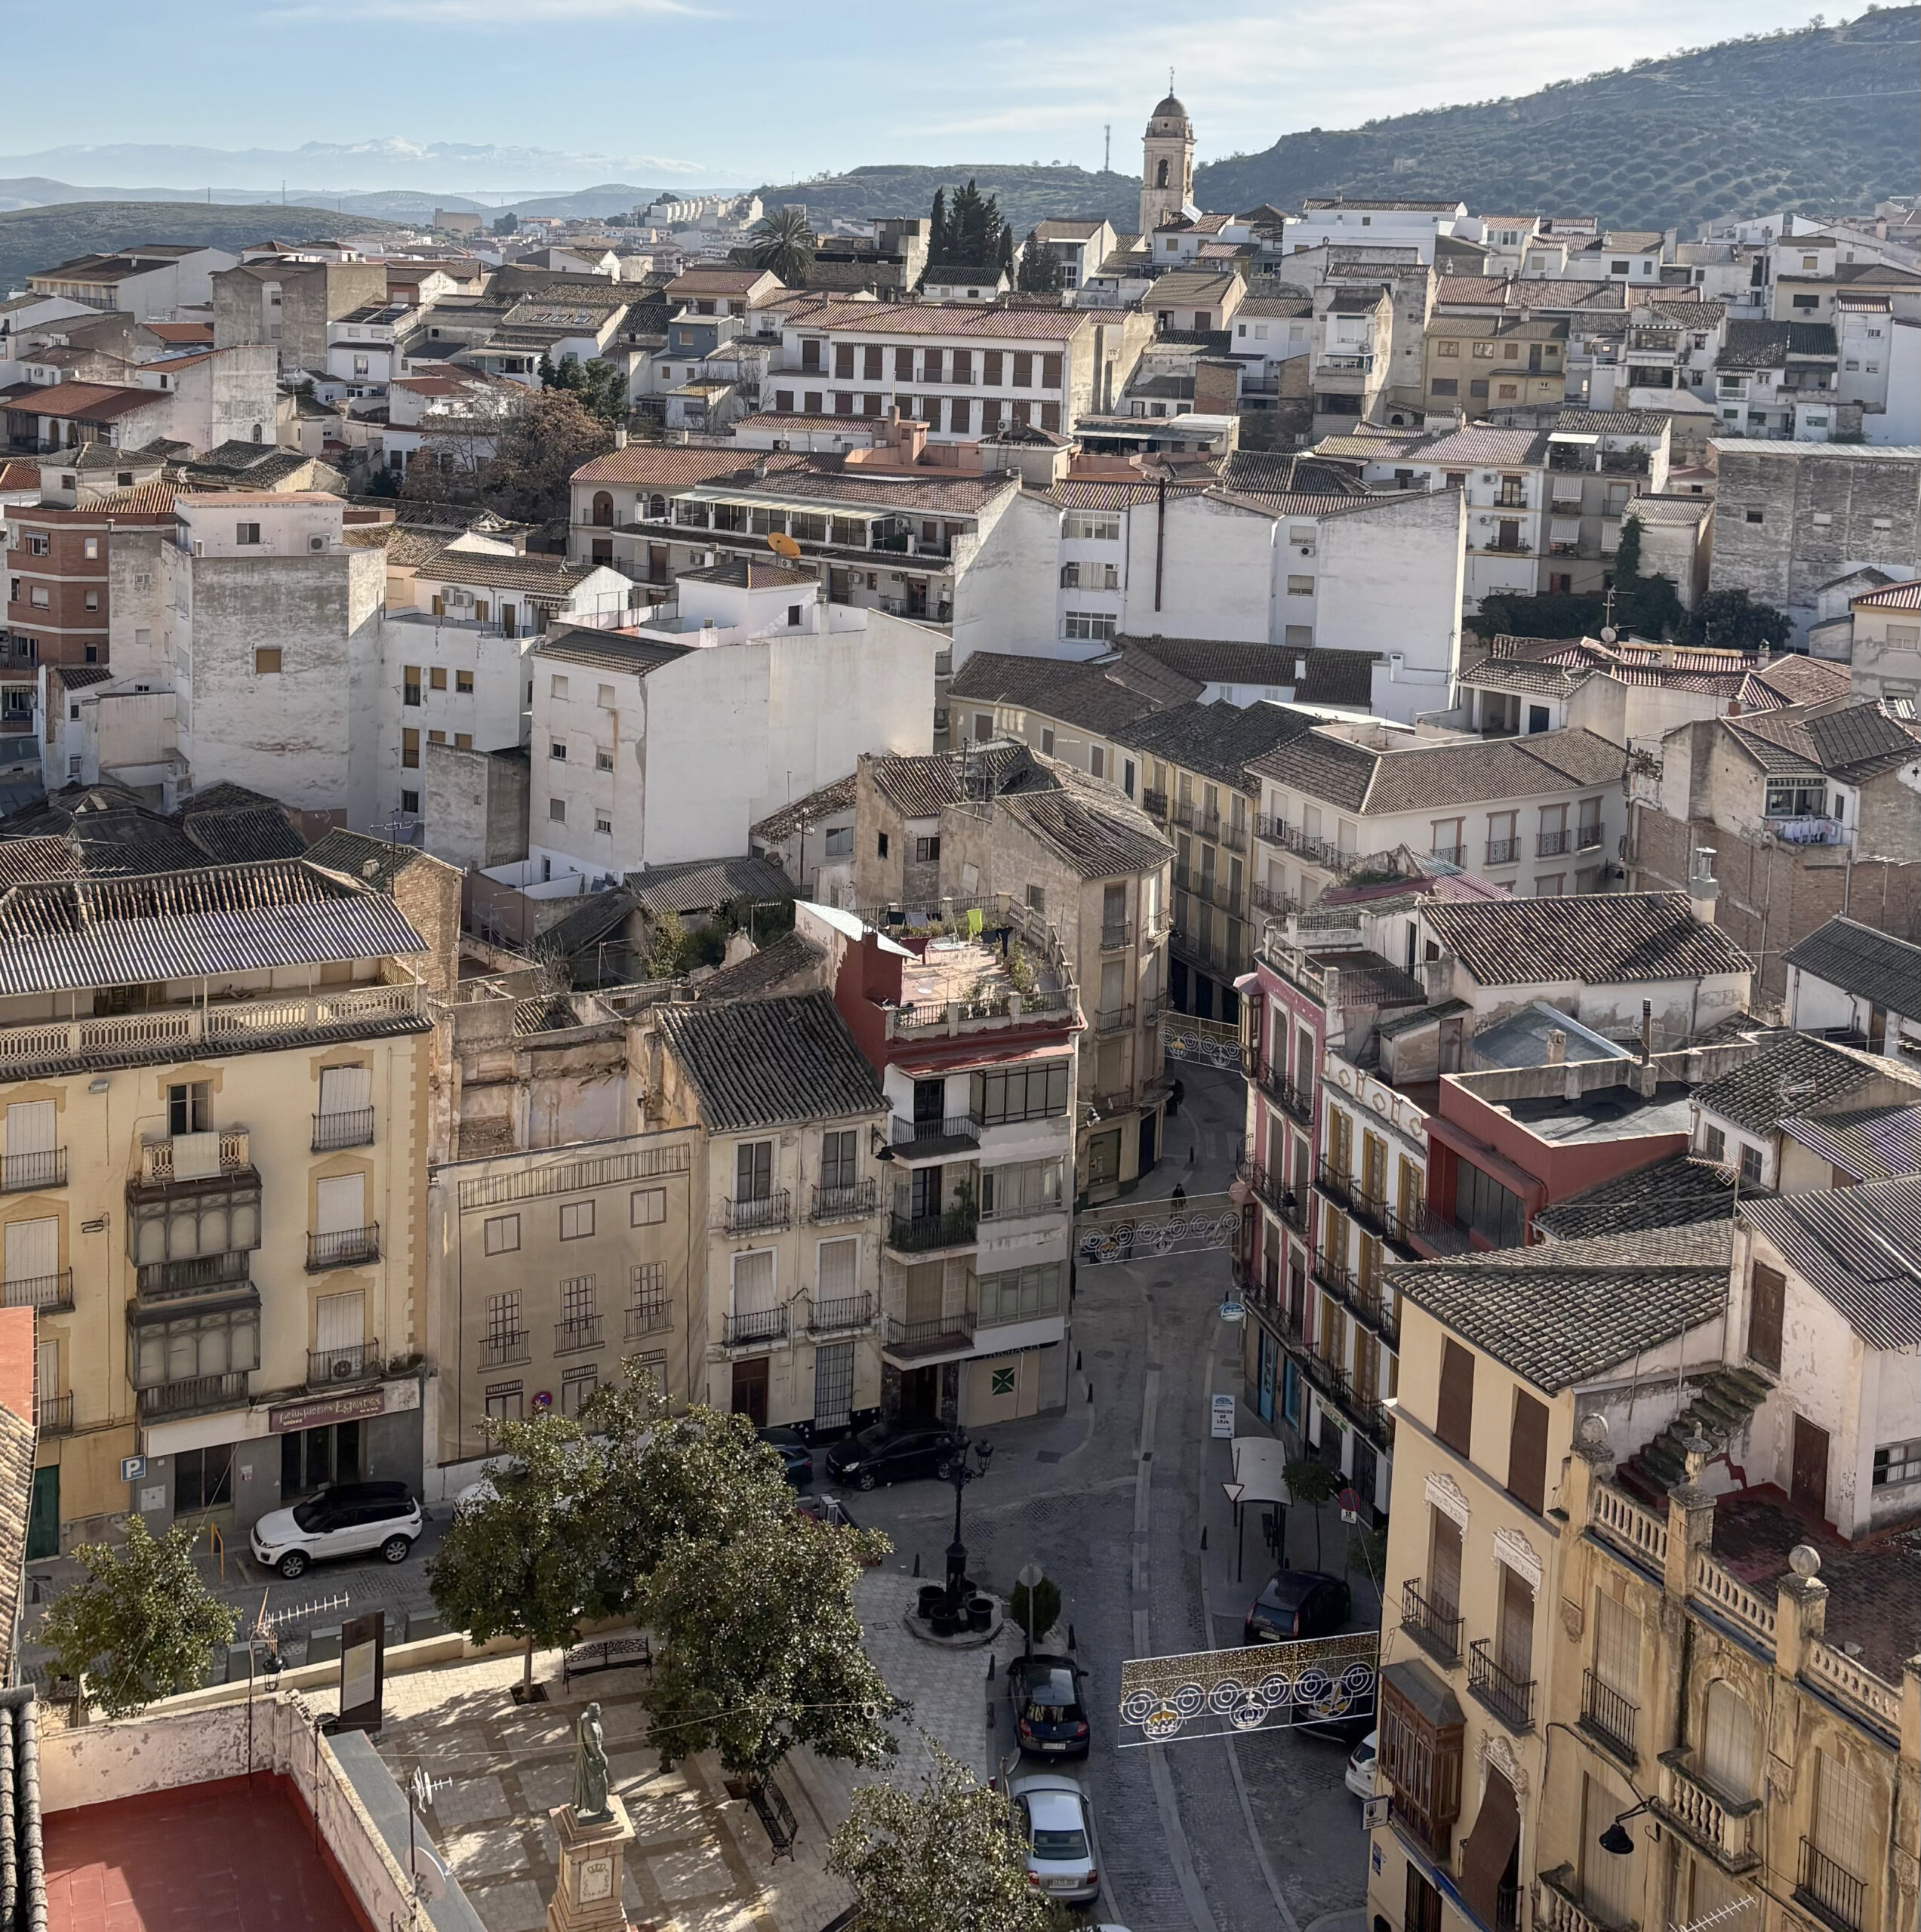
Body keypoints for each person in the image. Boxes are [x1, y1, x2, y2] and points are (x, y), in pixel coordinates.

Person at [572, 1702, 611, 1822]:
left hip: (586, 1759)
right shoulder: (592, 1728)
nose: (600, 1712)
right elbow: (595, 1748)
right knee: (601, 1784)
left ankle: (583, 1803)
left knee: (589, 1783)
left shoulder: (585, 1719)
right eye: (599, 1711)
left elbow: (582, 1716)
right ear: (595, 1713)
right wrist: (604, 1758)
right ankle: (601, 1807)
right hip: (593, 1760)